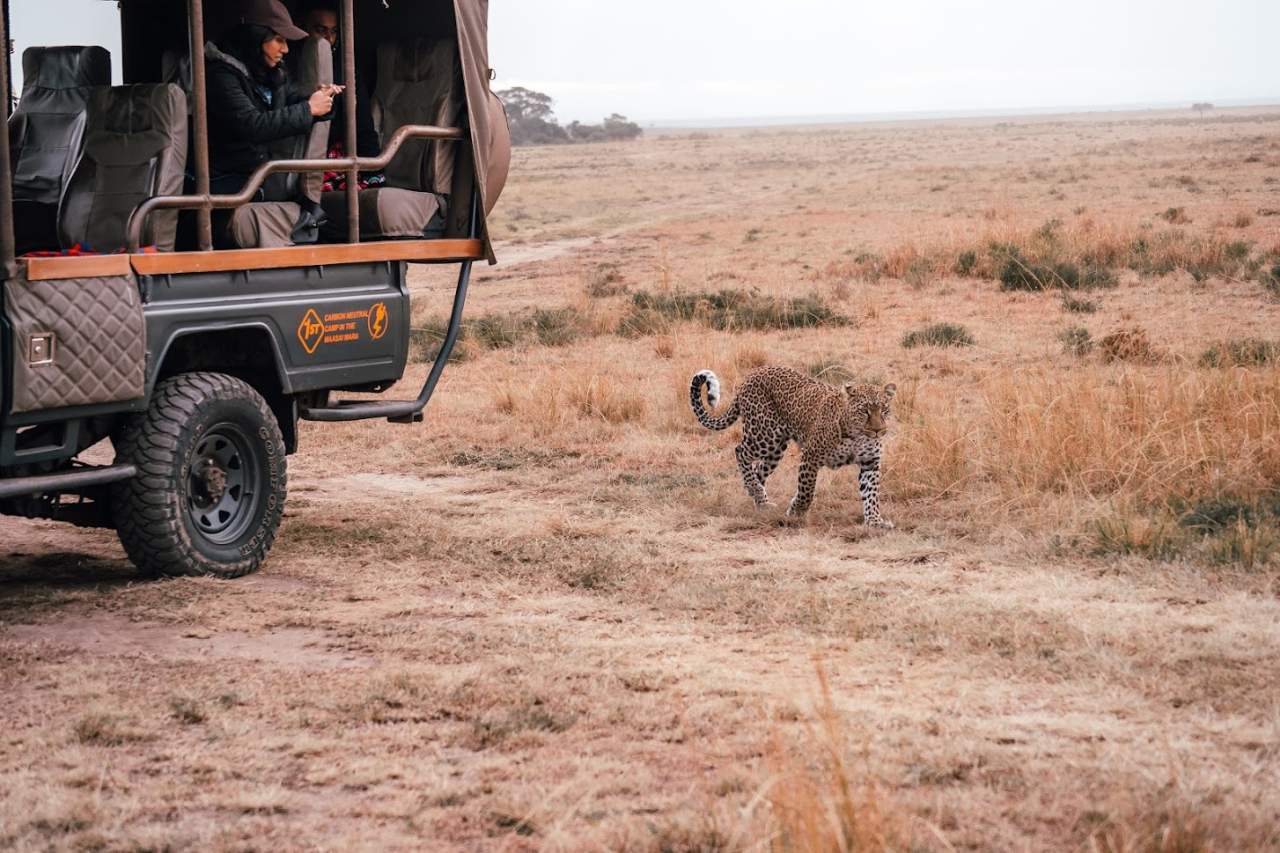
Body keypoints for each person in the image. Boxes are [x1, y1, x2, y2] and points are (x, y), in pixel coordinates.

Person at [205, 0, 344, 196]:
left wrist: (324, 99)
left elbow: (290, 101)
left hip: (256, 177)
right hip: (224, 180)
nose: (285, 49)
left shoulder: (271, 72)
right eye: (279, 40)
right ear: (254, 38)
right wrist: (309, 108)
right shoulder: (221, 75)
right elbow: (251, 125)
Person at [298, 0, 383, 191]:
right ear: (302, 28)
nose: (329, 38)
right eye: (321, 30)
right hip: (291, 156)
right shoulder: (284, 66)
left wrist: (373, 171)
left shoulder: (346, 70)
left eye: (334, 31)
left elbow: (362, 125)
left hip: (331, 156)